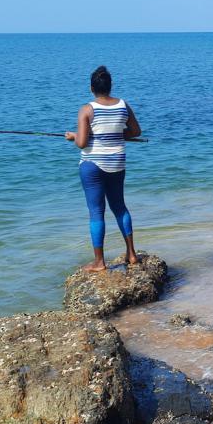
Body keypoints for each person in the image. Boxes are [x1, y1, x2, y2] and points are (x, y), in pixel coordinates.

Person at [65, 65, 142, 272]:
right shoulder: (123, 105)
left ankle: (99, 262)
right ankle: (132, 254)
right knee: (120, 207)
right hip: (117, 163)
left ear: (92, 88)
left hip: (92, 164)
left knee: (96, 212)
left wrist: (73, 136)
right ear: (110, 86)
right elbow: (135, 131)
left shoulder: (87, 109)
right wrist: (117, 135)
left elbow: (82, 143)